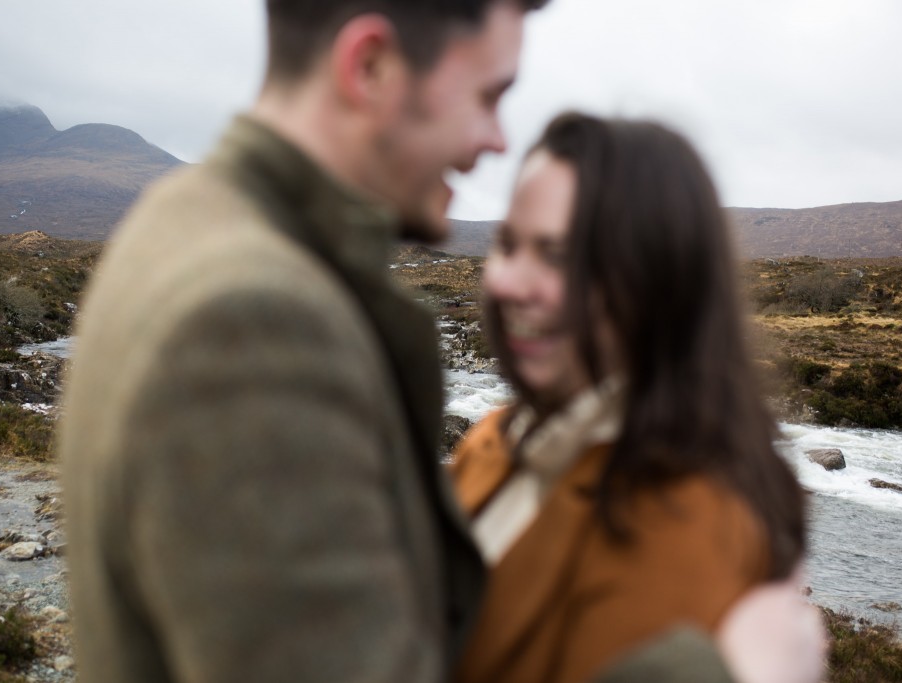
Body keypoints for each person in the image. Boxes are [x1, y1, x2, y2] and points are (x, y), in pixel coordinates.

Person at [60, 0, 822, 681]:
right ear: (370, 66)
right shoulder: (256, 320)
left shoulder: (185, 220)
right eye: (490, 95)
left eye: (559, 254)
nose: (496, 138)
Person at [450, 112, 825, 683]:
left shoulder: (694, 519)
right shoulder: (494, 438)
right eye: (507, 244)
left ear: (655, 279)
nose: (504, 282)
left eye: (556, 255)